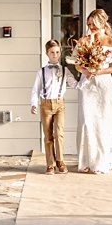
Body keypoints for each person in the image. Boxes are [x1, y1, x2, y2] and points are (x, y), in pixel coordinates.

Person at [74, 9, 112, 174]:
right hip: (88, 84)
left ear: (102, 23)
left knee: (103, 120)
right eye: (89, 24)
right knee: (87, 120)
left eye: (94, 24)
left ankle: (101, 161)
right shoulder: (83, 41)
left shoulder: (111, 42)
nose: (91, 27)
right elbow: (77, 64)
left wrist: (101, 71)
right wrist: (86, 72)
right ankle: (86, 161)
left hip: (103, 84)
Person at [31, 39, 78, 174]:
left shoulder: (65, 70)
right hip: (45, 104)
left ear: (60, 52)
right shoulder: (42, 72)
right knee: (48, 135)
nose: (55, 55)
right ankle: (50, 164)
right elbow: (35, 89)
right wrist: (34, 104)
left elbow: (74, 84)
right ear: (47, 53)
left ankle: (60, 161)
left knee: (59, 133)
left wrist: (87, 78)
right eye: (52, 52)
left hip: (59, 104)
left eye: (57, 52)